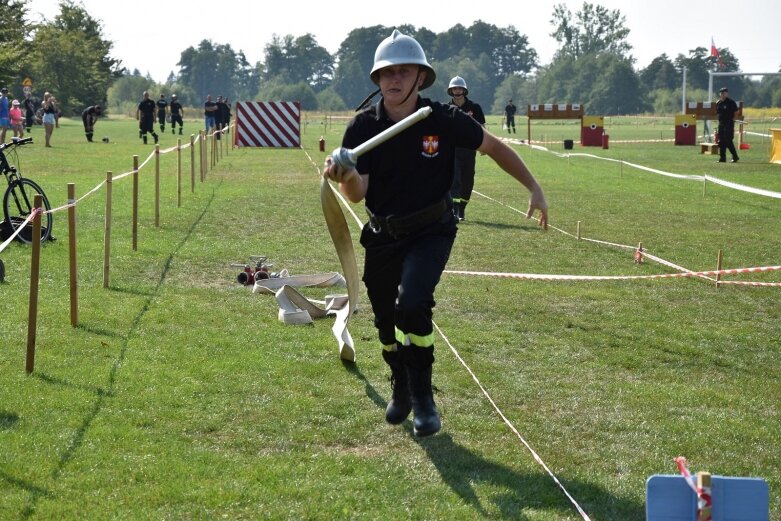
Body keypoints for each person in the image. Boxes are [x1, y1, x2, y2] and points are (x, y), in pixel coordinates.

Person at [323, 30, 548, 438]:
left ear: (420, 77)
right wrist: (348, 174)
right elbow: (357, 196)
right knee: (386, 321)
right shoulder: (362, 128)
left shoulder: (441, 119)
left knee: (412, 302)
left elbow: (495, 148)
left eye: (403, 72)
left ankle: (424, 396)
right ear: (377, 79)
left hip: (432, 230)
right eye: (386, 73)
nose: (394, 80)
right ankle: (402, 385)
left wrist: (534, 187)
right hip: (383, 234)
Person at [445, 76, 485, 221]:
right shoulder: (446, 108)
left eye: (459, 88)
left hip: (469, 150)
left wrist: (483, 146)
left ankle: (462, 208)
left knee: (468, 181)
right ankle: (455, 210)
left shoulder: (475, 108)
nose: (457, 91)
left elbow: (482, 128)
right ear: (451, 91)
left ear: (464, 90)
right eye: (454, 88)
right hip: (452, 150)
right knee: (454, 180)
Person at [716, 87, 739, 163]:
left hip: (728, 124)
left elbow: (736, 112)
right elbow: (718, 113)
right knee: (721, 141)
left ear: (727, 94)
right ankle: (722, 158)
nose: (723, 94)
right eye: (721, 93)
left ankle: (735, 156)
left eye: (724, 93)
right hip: (721, 124)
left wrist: (733, 119)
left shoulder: (731, 102)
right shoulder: (718, 103)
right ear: (720, 94)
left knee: (728, 140)